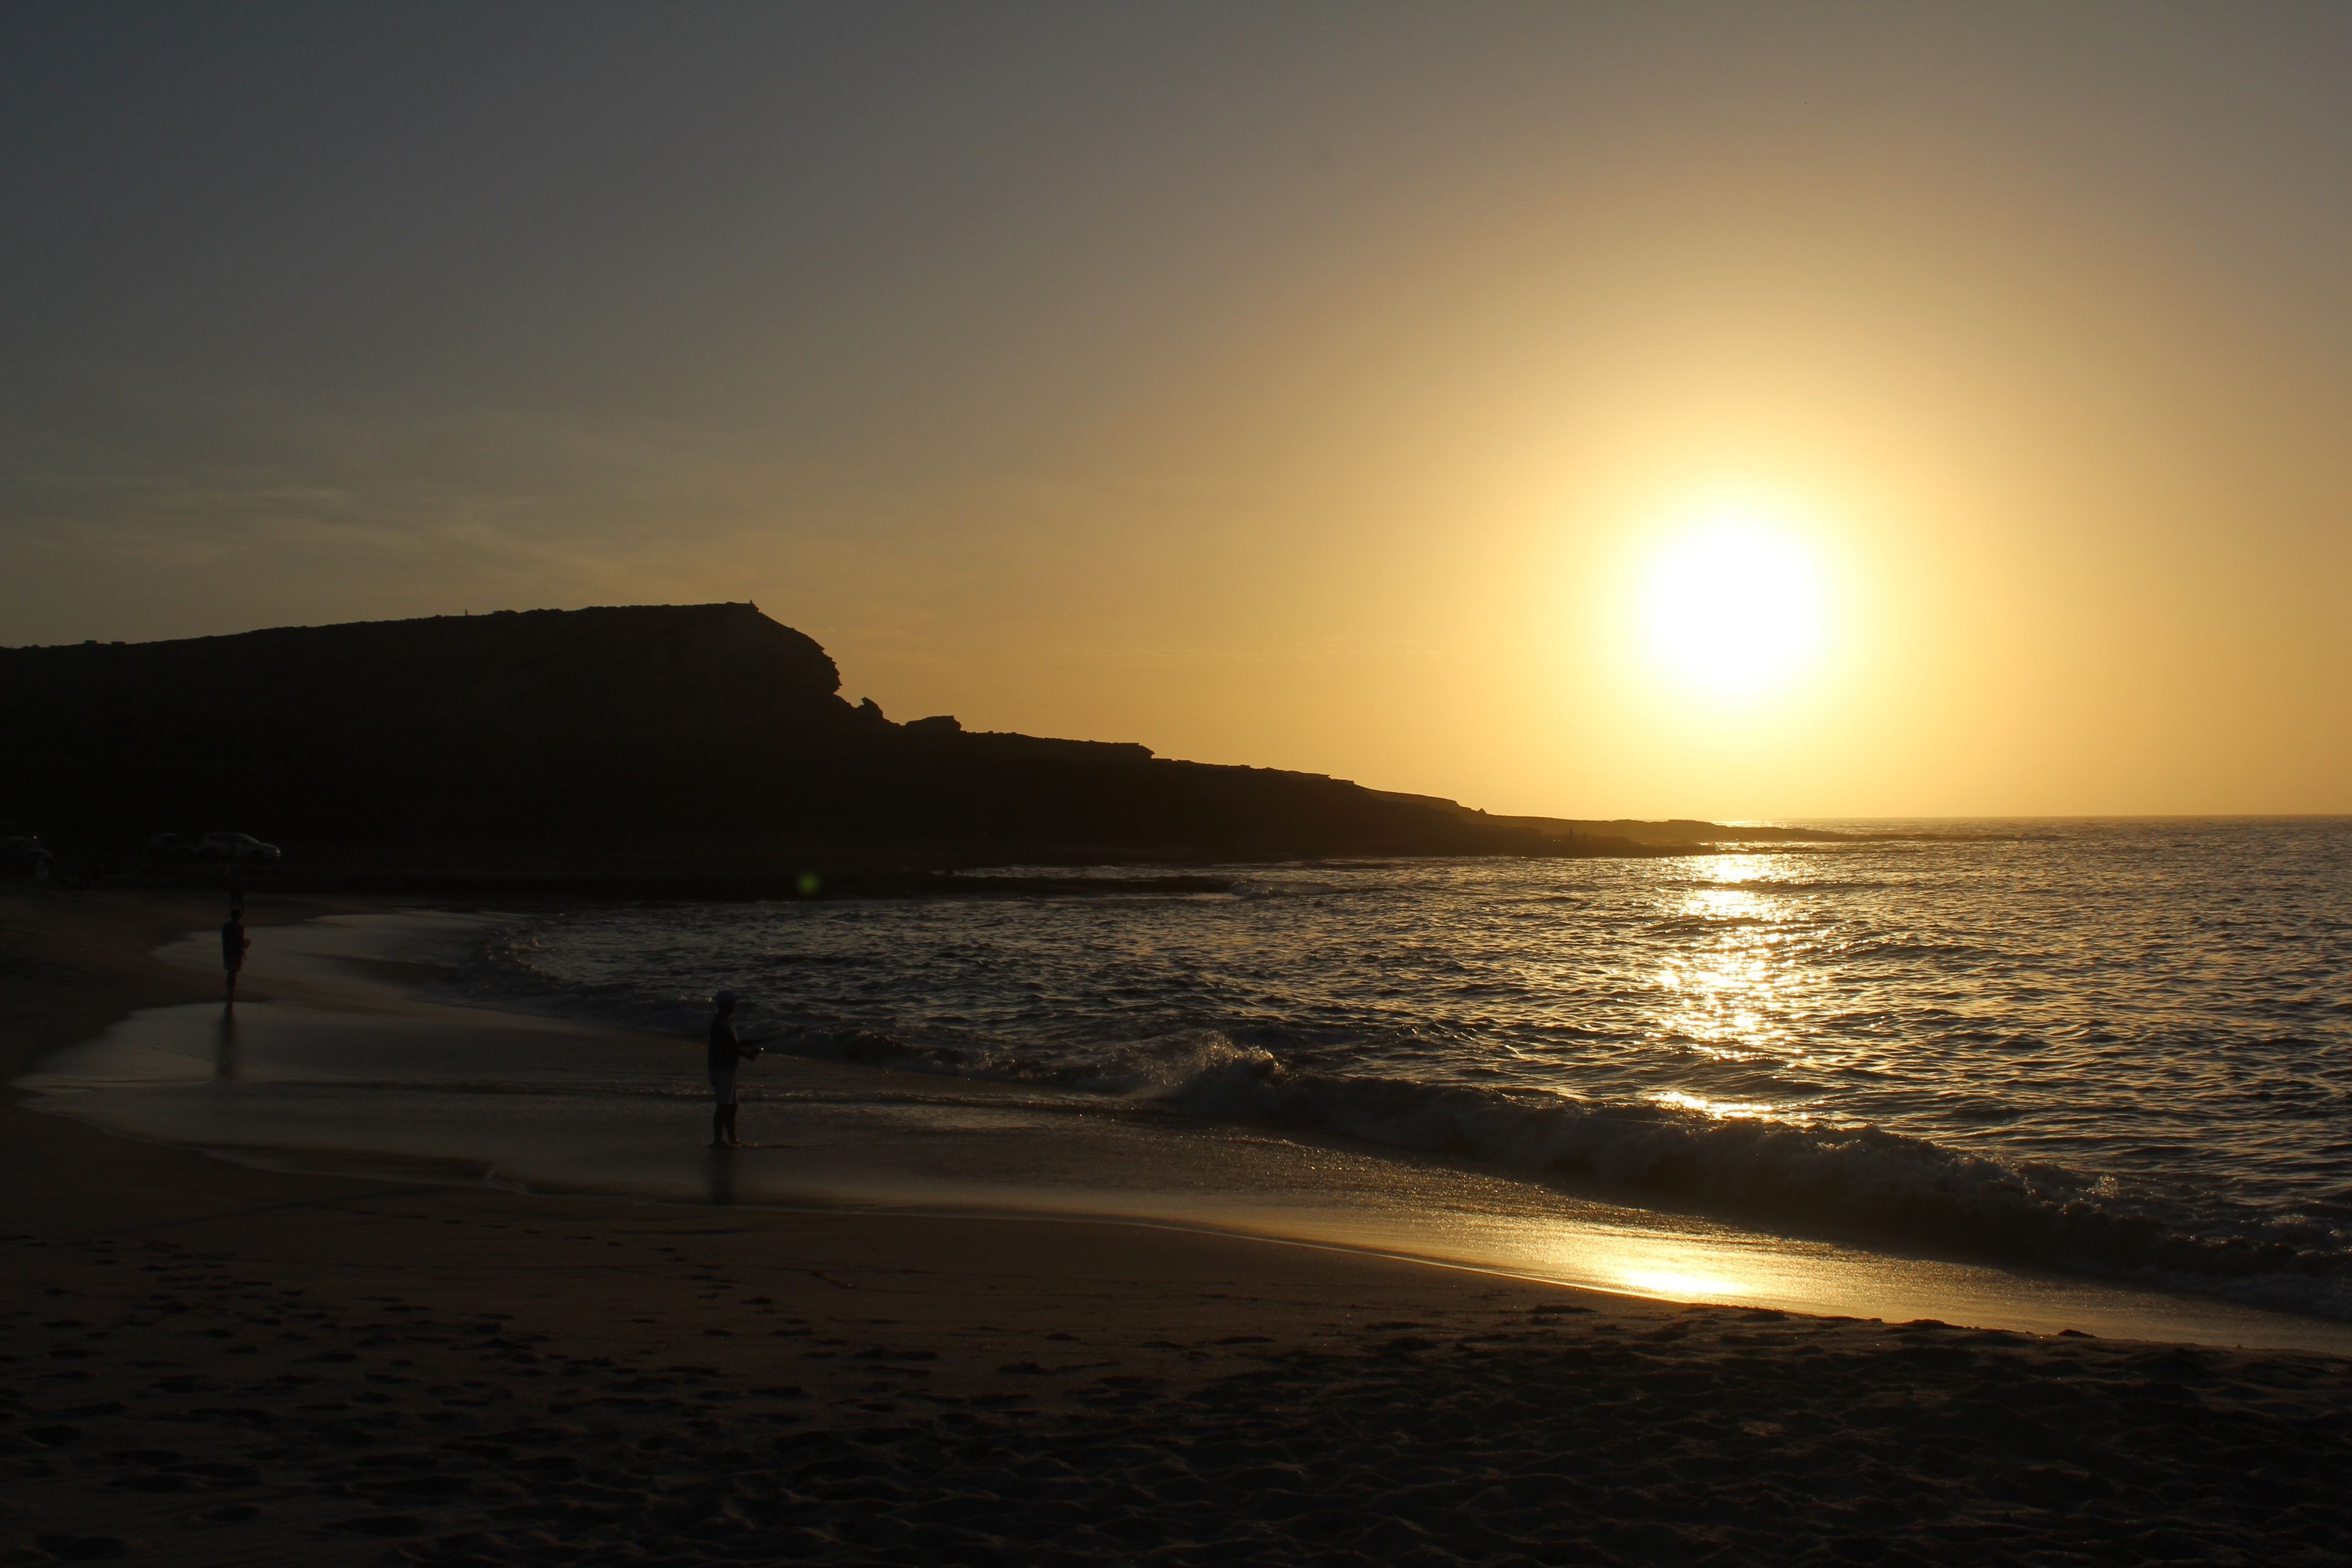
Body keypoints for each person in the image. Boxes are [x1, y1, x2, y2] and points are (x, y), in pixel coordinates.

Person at [707, 990, 761, 1147]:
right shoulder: (719, 1024)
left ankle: (732, 1138)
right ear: (725, 1005)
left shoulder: (724, 1022)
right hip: (721, 1070)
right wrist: (747, 1055)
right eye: (732, 1003)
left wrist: (746, 1043)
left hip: (728, 1070)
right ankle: (718, 1140)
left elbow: (730, 1045)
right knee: (723, 1106)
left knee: (732, 1106)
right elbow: (727, 1049)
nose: (735, 1006)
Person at [221, 902, 249, 1009]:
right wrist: (246, 944)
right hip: (236, 953)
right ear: (238, 917)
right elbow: (240, 942)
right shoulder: (240, 927)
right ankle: (231, 995)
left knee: (230, 973)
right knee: (233, 974)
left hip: (227, 951)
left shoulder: (226, 926)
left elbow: (225, 940)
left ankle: (229, 994)